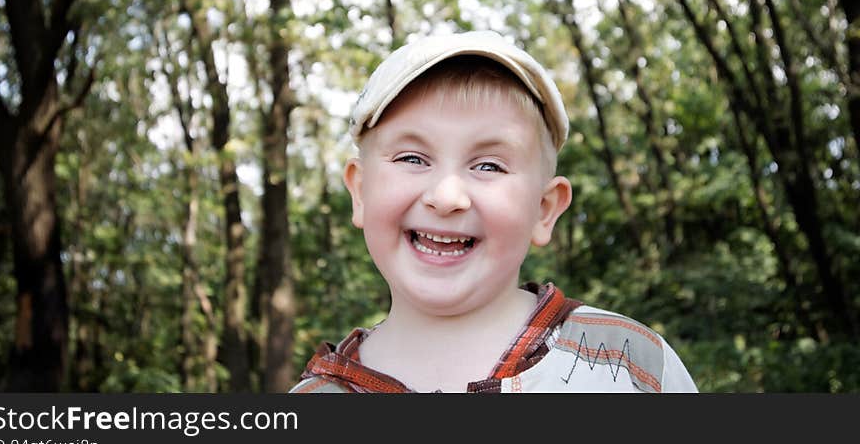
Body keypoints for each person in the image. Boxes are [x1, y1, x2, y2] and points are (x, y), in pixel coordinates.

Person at [290, 30, 697, 393]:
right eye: (413, 158)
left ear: (544, 210)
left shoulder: (627, 365)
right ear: (360, 192)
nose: (447, 196)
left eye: (488, 166)